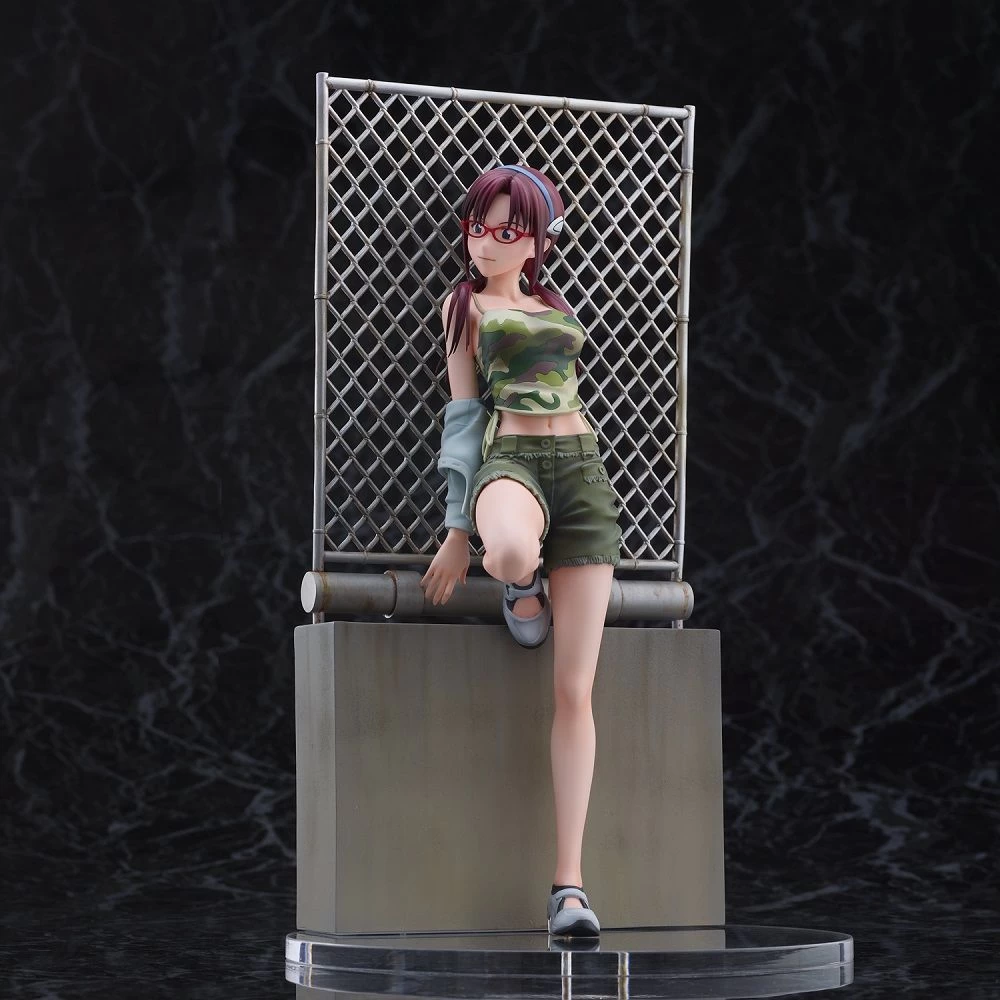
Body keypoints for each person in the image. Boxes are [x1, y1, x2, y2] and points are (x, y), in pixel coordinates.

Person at [419, 164, 623, 938]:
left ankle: (569, 888)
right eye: (477, 226)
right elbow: (463, 415)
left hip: (583, 472)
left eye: (506, 231)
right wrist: (455, 530)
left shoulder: (552, 305)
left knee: (574, 691)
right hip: (513, 460)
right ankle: (523, 585)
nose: (485, 243)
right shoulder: (463, 306)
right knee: (506, 551)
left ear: (538, 240)